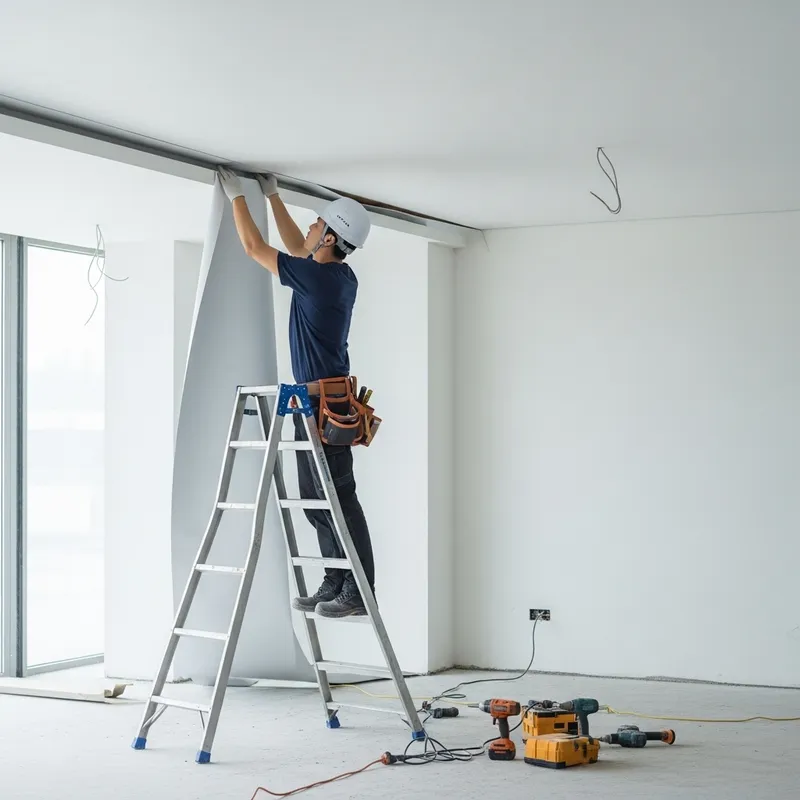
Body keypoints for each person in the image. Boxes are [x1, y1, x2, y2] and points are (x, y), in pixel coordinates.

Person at [217, 167, 375, 618]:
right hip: (319, 401)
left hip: (326, 406)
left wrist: (237, 198)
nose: (310, 228)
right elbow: (298, 248)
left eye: (317, 224)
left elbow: (254, 248)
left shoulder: (320, 279)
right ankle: (337, 578)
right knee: (316, 499)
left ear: (329, 238)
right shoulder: (337, 275)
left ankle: (359, 592)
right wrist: (273, 196)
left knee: (340, 499)